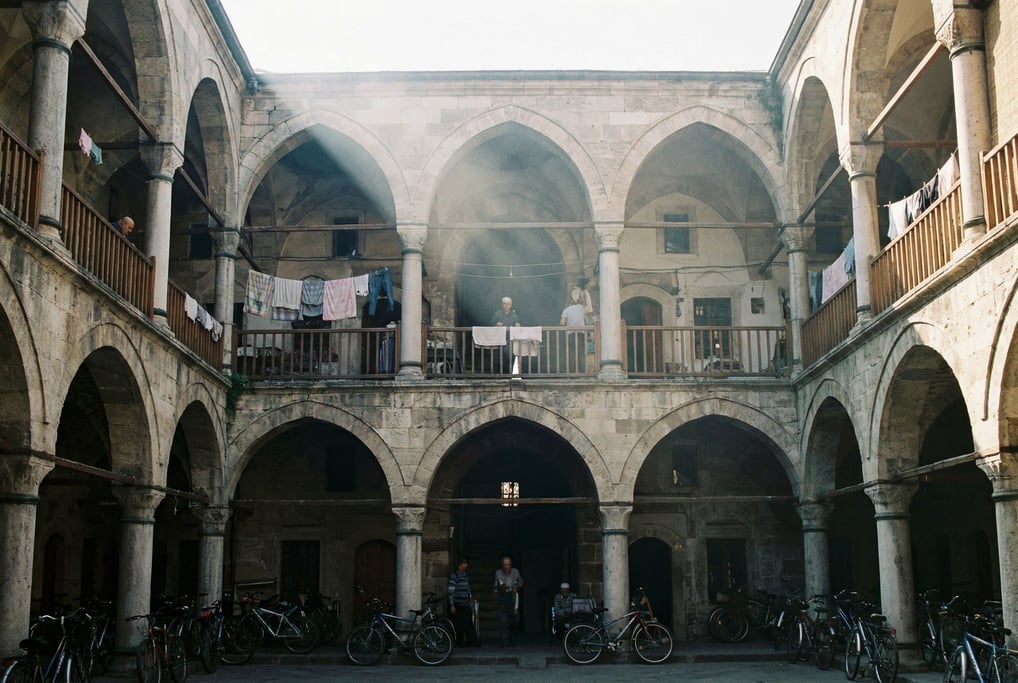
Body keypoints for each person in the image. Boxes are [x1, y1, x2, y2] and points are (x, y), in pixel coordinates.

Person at [493, 556, 523, 647]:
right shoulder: (498, 572)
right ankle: (504, 641)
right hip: (503, 596)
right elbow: (498, 586)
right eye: (504, 565)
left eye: (508, 565)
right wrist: (501, 589)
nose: (506, 567)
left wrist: (517, 586)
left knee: (514, 619)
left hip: (513, 597)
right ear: (502, 565)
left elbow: (521, 581)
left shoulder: (515, 571)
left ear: (511, 564)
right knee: (503, 620)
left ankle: (512, 640)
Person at [447, 559, 477, 647]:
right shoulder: (454, 576)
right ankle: (458, 642)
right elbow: (450, 591)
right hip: (457, 604)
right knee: (458, 624)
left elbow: (467, 588)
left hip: (465, 604)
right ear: (460, 565)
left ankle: (472, 641)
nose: (466, 565)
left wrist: (470, 597)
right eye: (464, 563)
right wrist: (452, 605)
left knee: (468, 623)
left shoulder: (465, 575)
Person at [559, 288, 586, 373]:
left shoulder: (566, 310)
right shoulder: (582, 308)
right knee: (581, 353)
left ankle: (573, 373)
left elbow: (562, 323)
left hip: (570, 334)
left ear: (570, 302)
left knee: (571, 354)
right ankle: (582, 373)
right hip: (581, 333)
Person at [489, 297, 519, 372]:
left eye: (508, 304)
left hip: (510, 339)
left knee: (510, 357)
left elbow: (516, 324)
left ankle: (509, 374)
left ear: (511, 305)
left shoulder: (514, 315)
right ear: (502, 304)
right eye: (505, 304)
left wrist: (517, 325)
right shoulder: (497, 313)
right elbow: (490, 325)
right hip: (498, 340)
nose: (506, 306)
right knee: (499, 357)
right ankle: (498, 375)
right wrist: (496, 324)